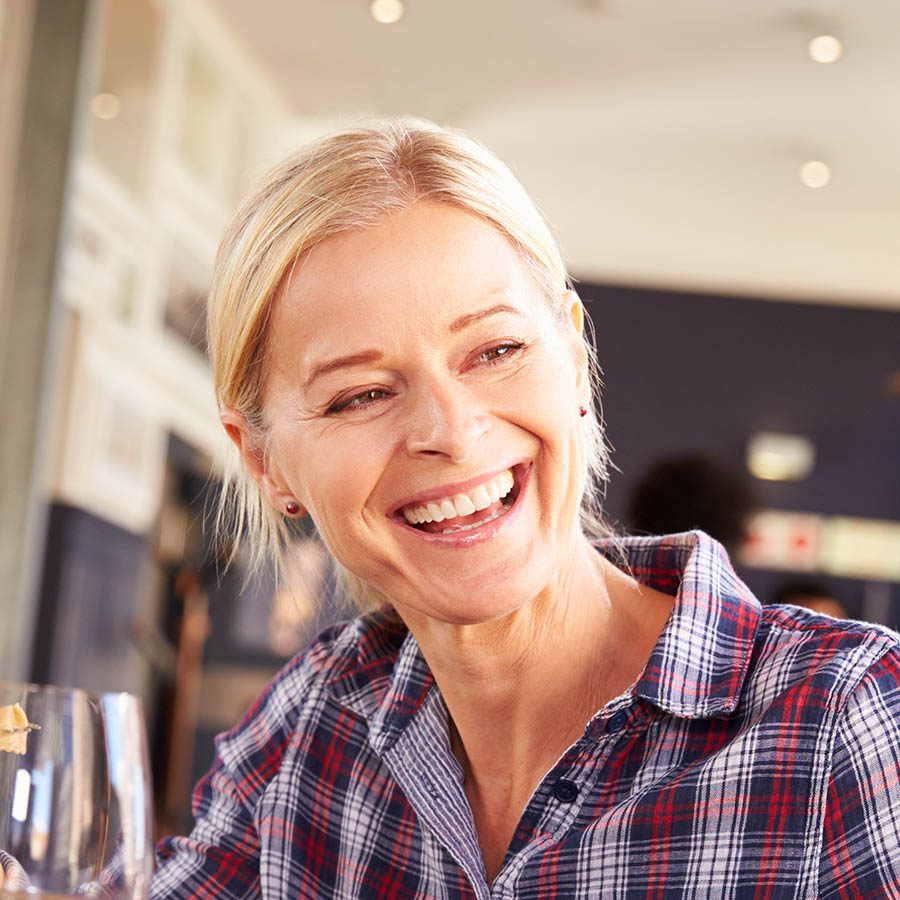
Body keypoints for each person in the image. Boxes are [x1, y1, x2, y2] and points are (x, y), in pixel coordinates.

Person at [149, 119, 900, 899]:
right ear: (263, 460)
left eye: (496, 351)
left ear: (573, 360)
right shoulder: (308, 730)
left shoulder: (848, 722)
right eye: (360, 395)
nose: (451, 432)